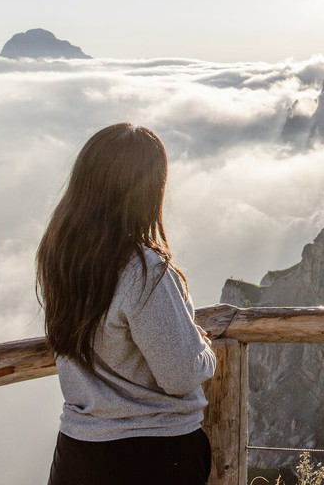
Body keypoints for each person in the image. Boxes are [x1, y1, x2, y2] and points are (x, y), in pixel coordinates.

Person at [37, 123, 217, 485]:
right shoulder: (144, 271)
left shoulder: (60, 257)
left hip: (78, 452)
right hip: (155, 456)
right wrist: (204, 349)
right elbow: (180, 376)